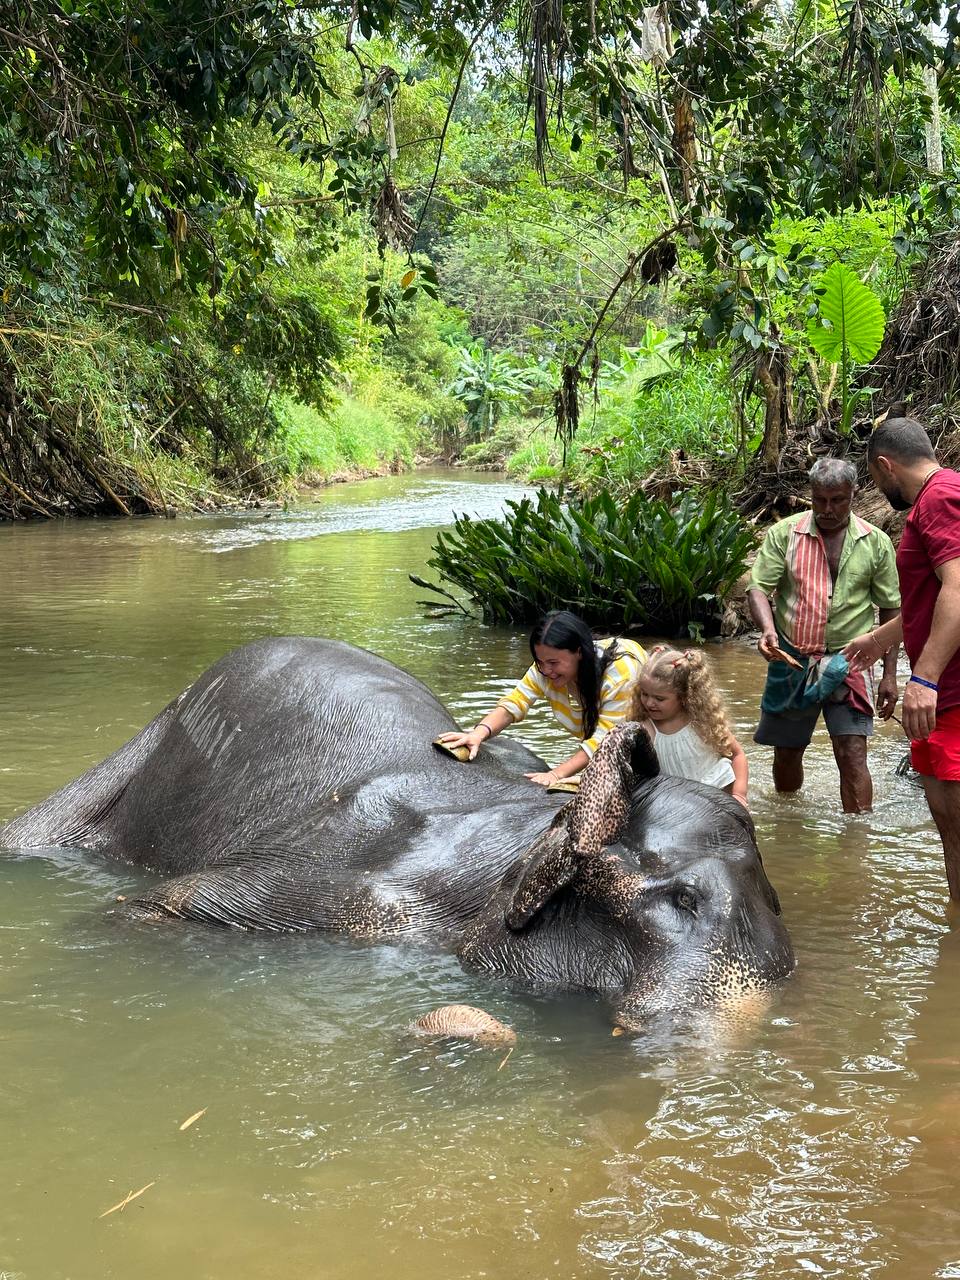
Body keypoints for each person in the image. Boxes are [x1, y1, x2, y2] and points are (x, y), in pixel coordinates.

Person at [843, 417, 960, 900]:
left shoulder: (939, 499)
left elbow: (958, 589)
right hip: (945, 695)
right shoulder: (943, 495)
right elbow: (931, 597)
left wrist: (923, 679)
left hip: (950, 693)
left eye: (874, 478)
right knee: (951, 834)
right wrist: (881, 639)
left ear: (885, 465)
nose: (879, 487)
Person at [747, 457, 901, 813]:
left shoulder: (876, 542)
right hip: (792, 657)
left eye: (837, 500)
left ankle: (856, 836)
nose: (827, 509)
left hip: (852, 660)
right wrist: (767, 630)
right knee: (788, 752)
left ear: (854, 494)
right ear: (811, 495)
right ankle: (788, 823)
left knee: (852, 753)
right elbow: (758, 589)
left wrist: (890, 676)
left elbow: (891, 610)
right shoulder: (784, 534)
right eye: (819, 500)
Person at [437, 610, 646, 787]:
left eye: (554, 663)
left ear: (579, 652)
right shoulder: (545, 669)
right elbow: (515, 702)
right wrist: (477, 734)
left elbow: (605, 739)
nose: (546, 670)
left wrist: (556, 774)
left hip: (651, 736)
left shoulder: (620, 673)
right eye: (540, 662)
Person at [630, 646, 750, 808]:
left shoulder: (703, 723)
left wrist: (739, 795)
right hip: (676, 803)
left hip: (717, 794)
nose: (649, 703)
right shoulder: (646, 730)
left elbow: (737, 755)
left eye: (659, 698)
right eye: (644, 694)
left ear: (684, 696)